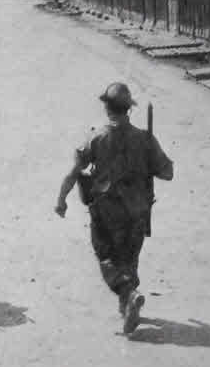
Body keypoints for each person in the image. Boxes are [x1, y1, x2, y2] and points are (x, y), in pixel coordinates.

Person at [55, 82, 174, 335]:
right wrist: (148, 163)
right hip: (138, 211)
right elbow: (167, 172)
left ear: (107, 108)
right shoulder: (145, 138)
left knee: (106, 258)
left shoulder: (96, 137)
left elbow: (74, 172)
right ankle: (128, 306)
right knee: (129, 259)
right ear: (128, 110)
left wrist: (61, 199)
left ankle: (128, 295)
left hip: (106, 212)